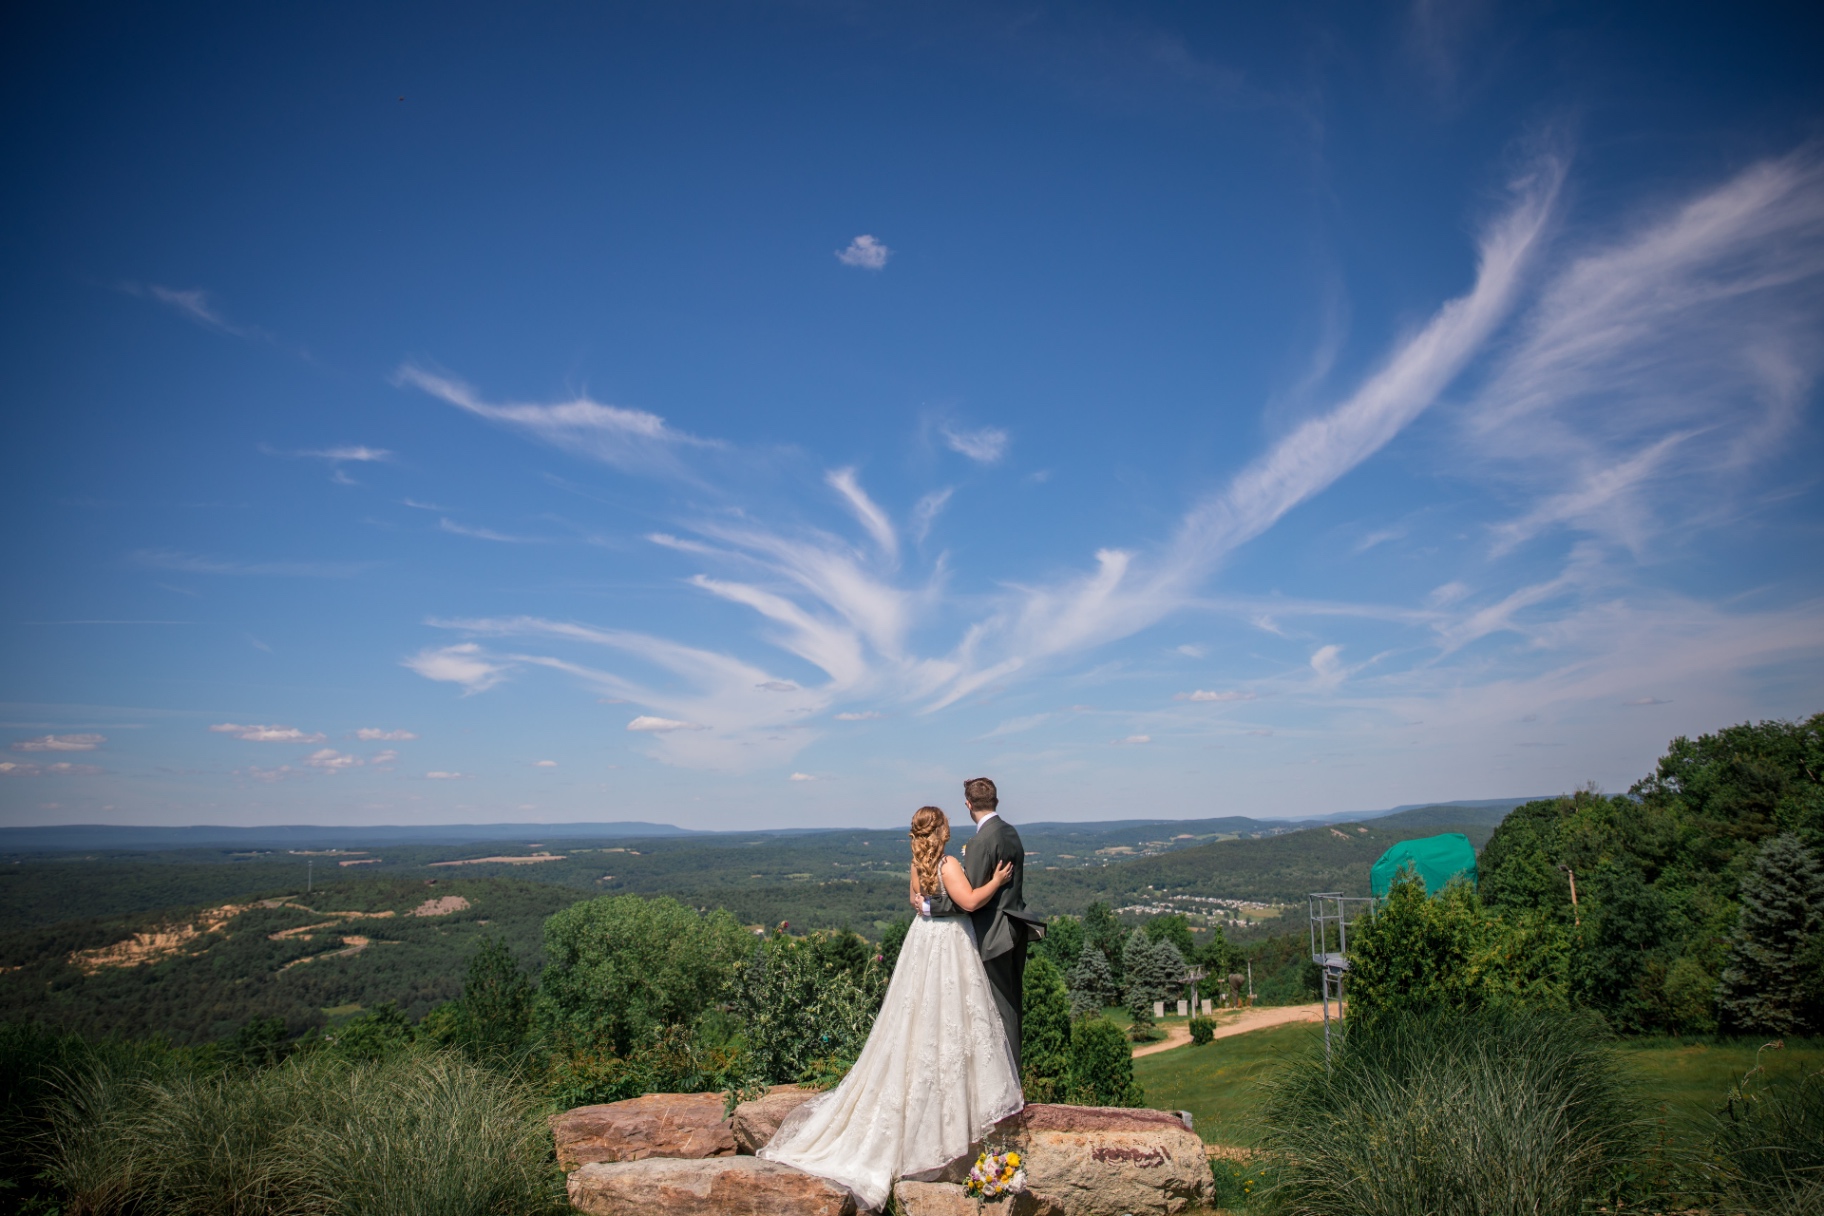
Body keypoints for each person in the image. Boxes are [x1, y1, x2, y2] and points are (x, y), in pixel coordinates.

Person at [758, 806, 1025, 1211]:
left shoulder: (917, 865)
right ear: (942, 832)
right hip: (950, 944)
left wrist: (929, 904)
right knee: (952, 1022)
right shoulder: (949, 864)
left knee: (916, 1018)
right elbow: (969, 902)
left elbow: (916, 901)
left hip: (922, 942)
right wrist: (996, 881)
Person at [960, 776, 1045, 1065]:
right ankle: (1012, 1075)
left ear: (968, 805)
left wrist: (930, 905)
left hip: (993, 933)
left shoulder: (980, 841)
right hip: (1015, 925)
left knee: (999, 1009)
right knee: (1012, 1004)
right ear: (995, 801)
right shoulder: (1010, 832)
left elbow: (969, 896)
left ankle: (1008, 1079)